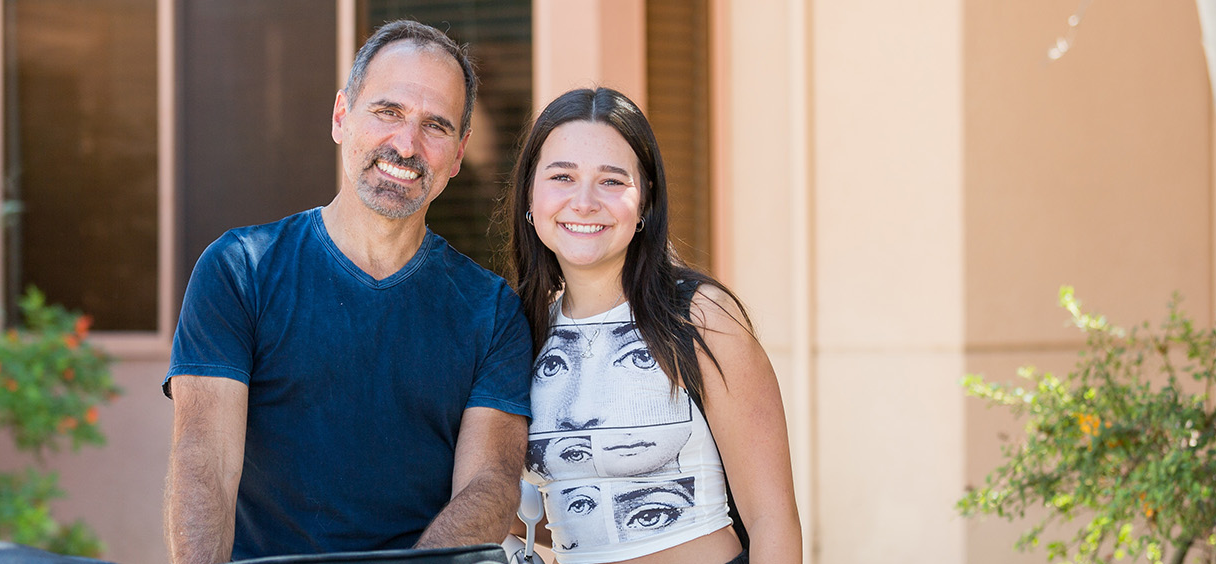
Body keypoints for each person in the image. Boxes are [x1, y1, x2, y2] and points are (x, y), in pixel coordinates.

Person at [162, 20, 532, 563]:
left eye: (435, 125)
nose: (406, 144)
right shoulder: (240, 271)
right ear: (341, 117)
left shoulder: (492, 311)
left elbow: (491, 489)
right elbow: (205, 465)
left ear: (458, 154)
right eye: (388, 111)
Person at [504, 87, 801, 564]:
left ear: (644, 203)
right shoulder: (518, 331)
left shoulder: (700, 317)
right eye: (562, 176)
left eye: (611, 181)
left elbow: (773, 520)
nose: (583, 202)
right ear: (530, 196)